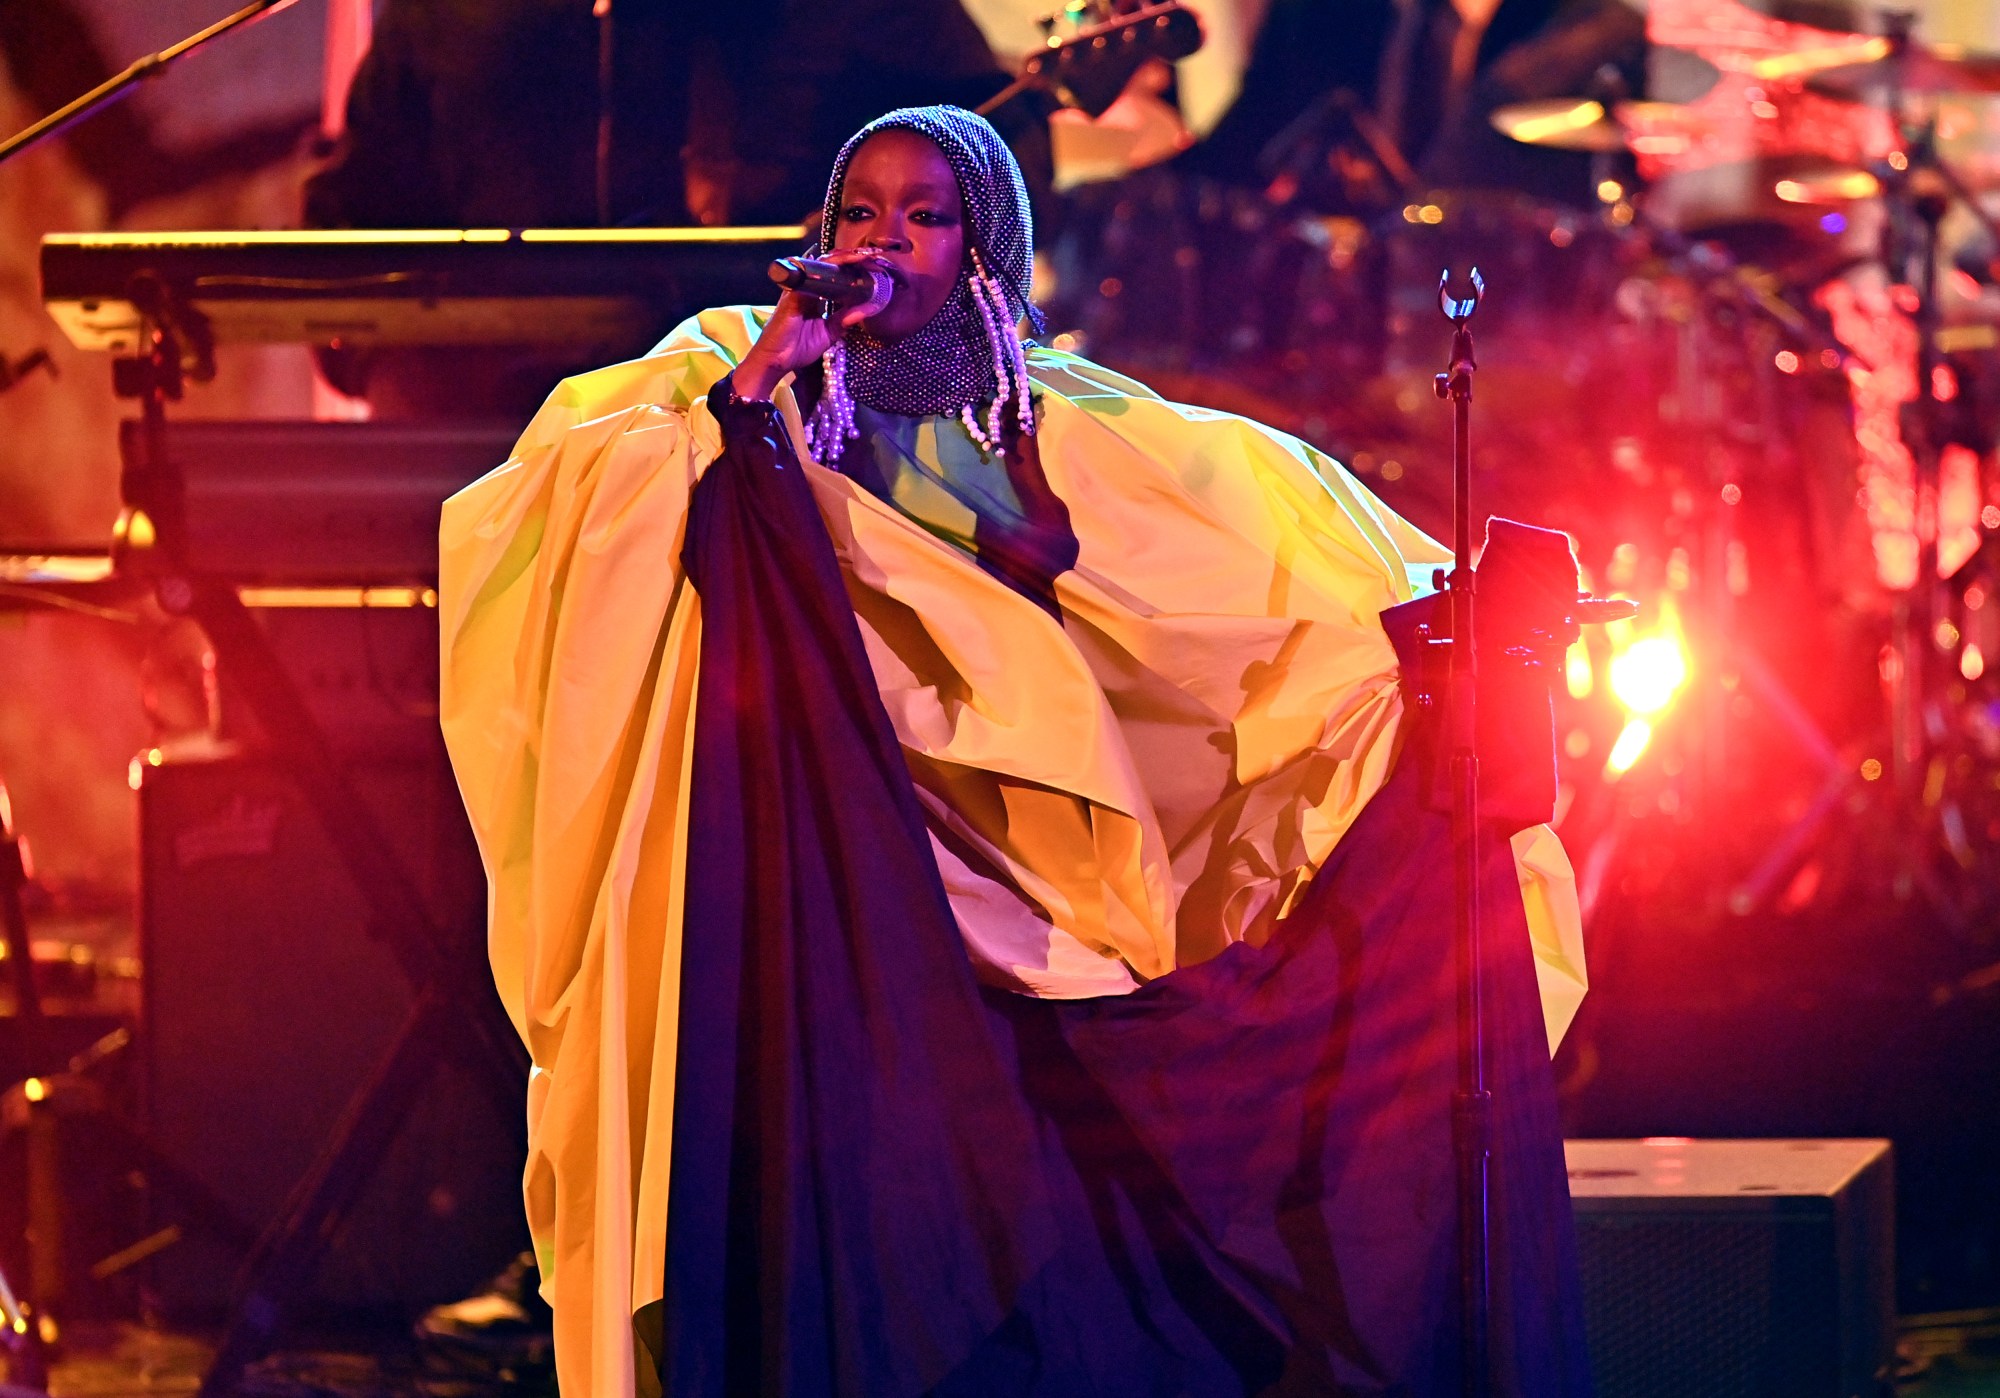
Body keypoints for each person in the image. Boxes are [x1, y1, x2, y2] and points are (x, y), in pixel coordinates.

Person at [440, 105, 1593, 1397]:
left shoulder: (1060, 429)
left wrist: (1421, 653)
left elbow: (1224, 577)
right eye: (859, 213)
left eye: (925, 217)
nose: (884, 243)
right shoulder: (734, 390)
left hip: (1026, 901)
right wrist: (763, 382)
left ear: (985, 252)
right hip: (862, 896)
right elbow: (647, 510)